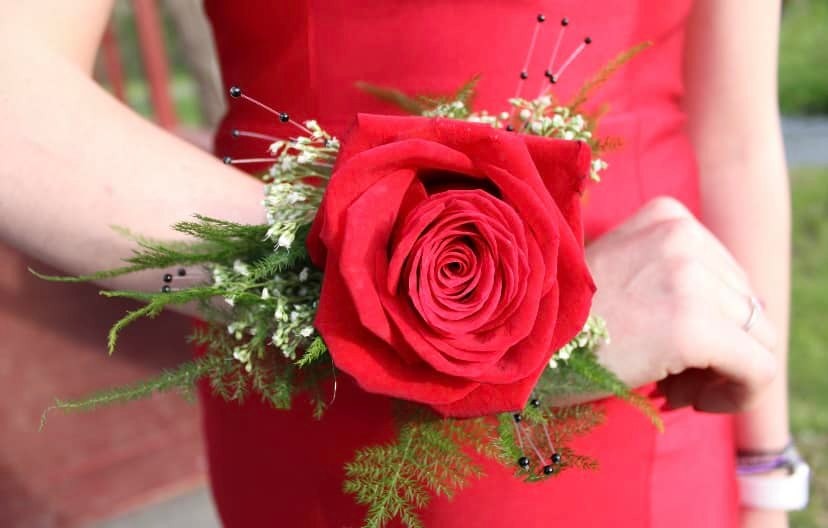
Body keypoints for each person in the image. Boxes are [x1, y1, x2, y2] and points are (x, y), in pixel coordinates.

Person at [0, 1, 797, 526]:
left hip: (661, 397)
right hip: (337, 399)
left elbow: (735, 132)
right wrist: (433, 299)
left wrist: (766, 470)